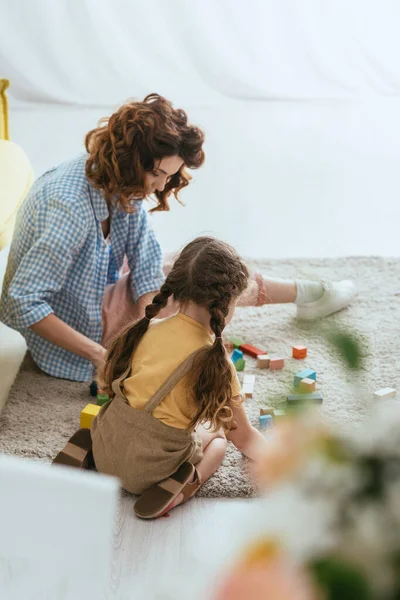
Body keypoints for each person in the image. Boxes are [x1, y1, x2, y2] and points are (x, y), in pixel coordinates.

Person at [0, 93, 355, 383]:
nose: (158, 185)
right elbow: (21, 302)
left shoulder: (112, 177)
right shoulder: (69, 208)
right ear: (128, 160)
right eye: (155, 173)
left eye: (167, 176)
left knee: (190, 265)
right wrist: (101, 356)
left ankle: (304, 293)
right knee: (203, 284)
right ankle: (309, 293)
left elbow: (145, 257)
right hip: (80, 327)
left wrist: (147, 322)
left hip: (99, 289)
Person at [91, 236, 268, 519]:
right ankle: (184, 486)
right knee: (220, 437)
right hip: (151, 470)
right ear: (225, 304)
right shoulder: (215, 360)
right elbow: (244, 438)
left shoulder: (145, 328)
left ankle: (91, 449)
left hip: (106, 446)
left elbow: (108, 384)